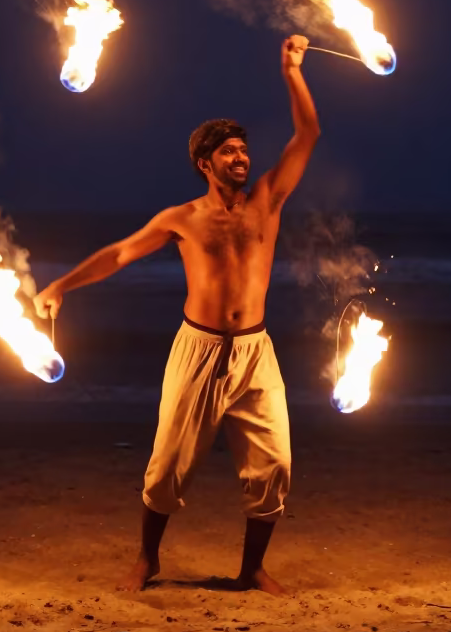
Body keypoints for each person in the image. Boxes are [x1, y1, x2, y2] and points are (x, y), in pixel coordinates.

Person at [33, 35, 320, 595]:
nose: (241, 158)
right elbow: (119, 253)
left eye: (243, 149)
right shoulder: (183, 219)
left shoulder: (267, 200)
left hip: (256, 352)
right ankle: (147, 558)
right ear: (204, 163)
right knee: (167, 466)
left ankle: (252, 569)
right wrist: (62, 285)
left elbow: (307, 134)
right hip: (199, 349)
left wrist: (292, 71)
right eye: (229, 152)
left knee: (274, 467)